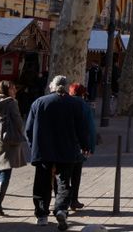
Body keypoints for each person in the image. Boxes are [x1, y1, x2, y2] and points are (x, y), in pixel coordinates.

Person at [25, 75, 90, 230]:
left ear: (51, 86)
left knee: (42, 182)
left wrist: (33, 146)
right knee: (63, 182)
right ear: (66, 87)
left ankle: (42, 215)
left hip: (43, 150)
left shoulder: (39, 102)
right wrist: (85, 145)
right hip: (66, 149)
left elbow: (28, 129)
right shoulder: (75, 104)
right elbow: (82, 128)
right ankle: (61, 209)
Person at [0, 80, 28, 216]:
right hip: (9, 142)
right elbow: (18, 122)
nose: (15, 91)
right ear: (7, 90)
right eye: (13, 89)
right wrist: (17, 131)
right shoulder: (11, 103)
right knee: (6, 171)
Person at [67, 83, 96, 212]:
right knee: (76, 173)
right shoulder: (85, 106)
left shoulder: (63, 103)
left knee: (63, 175)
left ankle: (63, 200)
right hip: (78, 144)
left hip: (63, 144)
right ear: (83, 94)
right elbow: (90, 128)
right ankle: (73, 200)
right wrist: (90, 147)